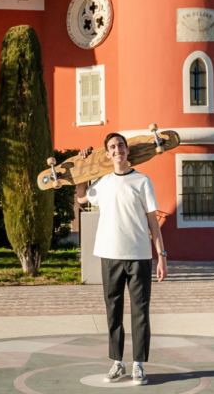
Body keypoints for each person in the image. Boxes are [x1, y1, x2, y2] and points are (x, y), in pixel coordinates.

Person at [76, 132, 168, 386]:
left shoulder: (142, 181)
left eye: (121, 146)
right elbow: (82, 197)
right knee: (113, 313)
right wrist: (83, 169)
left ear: (128, 151)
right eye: (113, 147)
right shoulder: (103, 183)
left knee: (140, 312)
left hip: (139, 256)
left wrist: (162, 256)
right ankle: (118, 363)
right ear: (107, 154)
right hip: (110, 255)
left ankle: (138, 365)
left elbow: (153, 221)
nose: (118, 150)